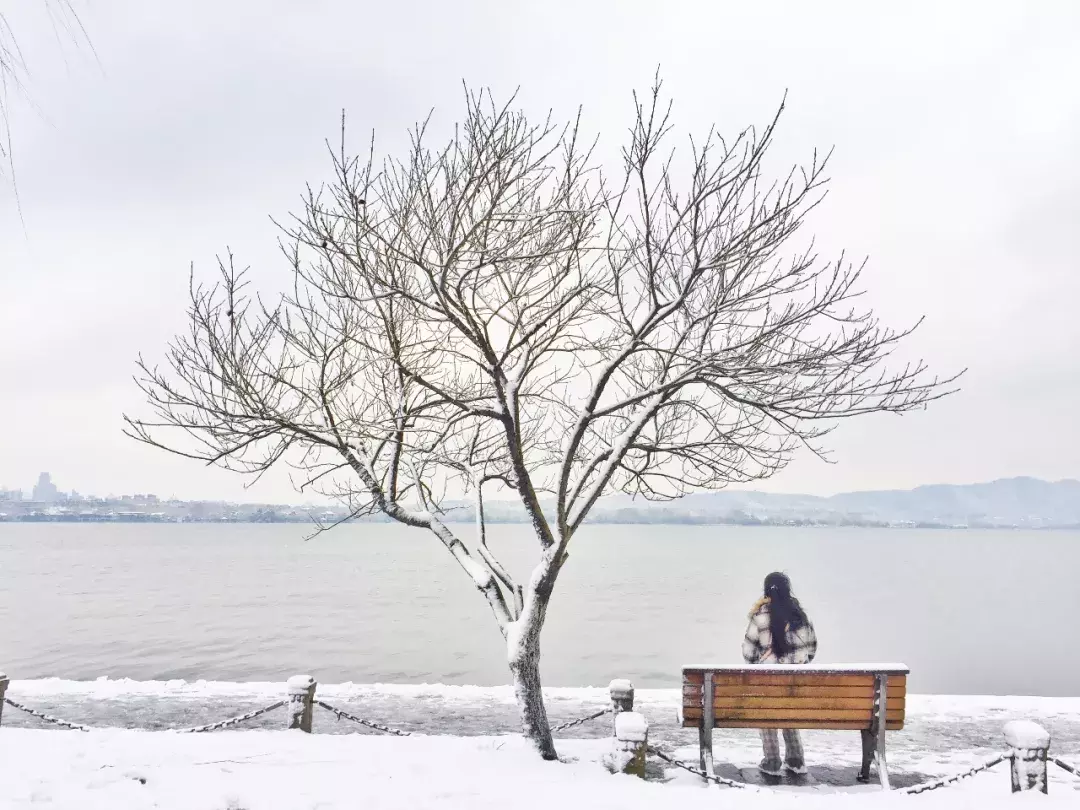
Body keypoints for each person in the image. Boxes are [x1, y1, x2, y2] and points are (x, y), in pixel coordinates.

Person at [741, 571, 818, 777]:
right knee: (788, 707)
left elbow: (748, 653)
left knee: (768, 711)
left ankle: (772, 761)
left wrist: (761, 661)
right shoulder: (800, 616)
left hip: (769, 686)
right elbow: (811, 650)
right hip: (795, 687)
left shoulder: (760, 616)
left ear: (766, 591)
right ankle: (795, 760)